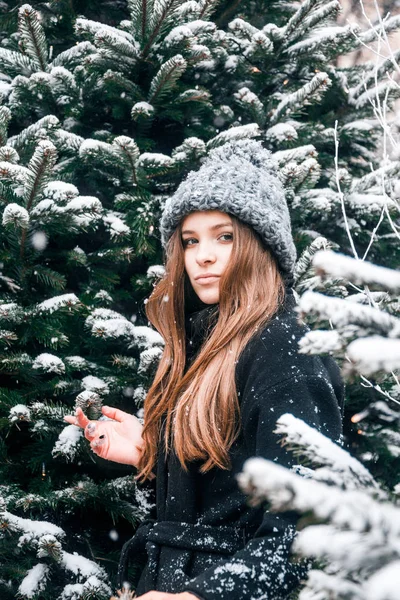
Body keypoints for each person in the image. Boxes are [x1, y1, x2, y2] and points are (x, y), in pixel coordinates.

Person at [65, 139, 344, 600]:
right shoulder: (201, 342)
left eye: (224, 236)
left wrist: (200, 596)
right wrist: (154, 457)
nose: (203, 256)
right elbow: (226, 496)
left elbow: (306, 533)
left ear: (262, 245)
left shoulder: (284, 348)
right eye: (190, 241)